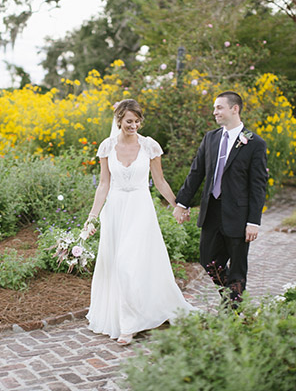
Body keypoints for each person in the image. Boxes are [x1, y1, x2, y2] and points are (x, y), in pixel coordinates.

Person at [84, 99, 197, 345]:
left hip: (139, 210)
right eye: (128, 122)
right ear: (119, 121)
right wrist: (92, 216)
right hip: (115, 210)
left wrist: (178, 204)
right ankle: (125, 317)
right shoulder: (107, 147)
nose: (133, 126)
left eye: (136, 121)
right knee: (117, 264)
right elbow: (103, 184)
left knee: (128, 263)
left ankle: (130, 325)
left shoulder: (149, 146)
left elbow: (160, 182)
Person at [173, 91, 268, 307]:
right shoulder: (211, 138)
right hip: (212, 211)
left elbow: (258, 186)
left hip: (239, 215)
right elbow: (196, 173)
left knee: (237, 267)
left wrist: (253, 222)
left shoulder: (254, 143)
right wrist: (182, 203)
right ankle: (232, 297)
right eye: (215, 108)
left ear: (235, 109)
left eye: (219, 107)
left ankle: (232, 310)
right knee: (207, 260)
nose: (214, 111)